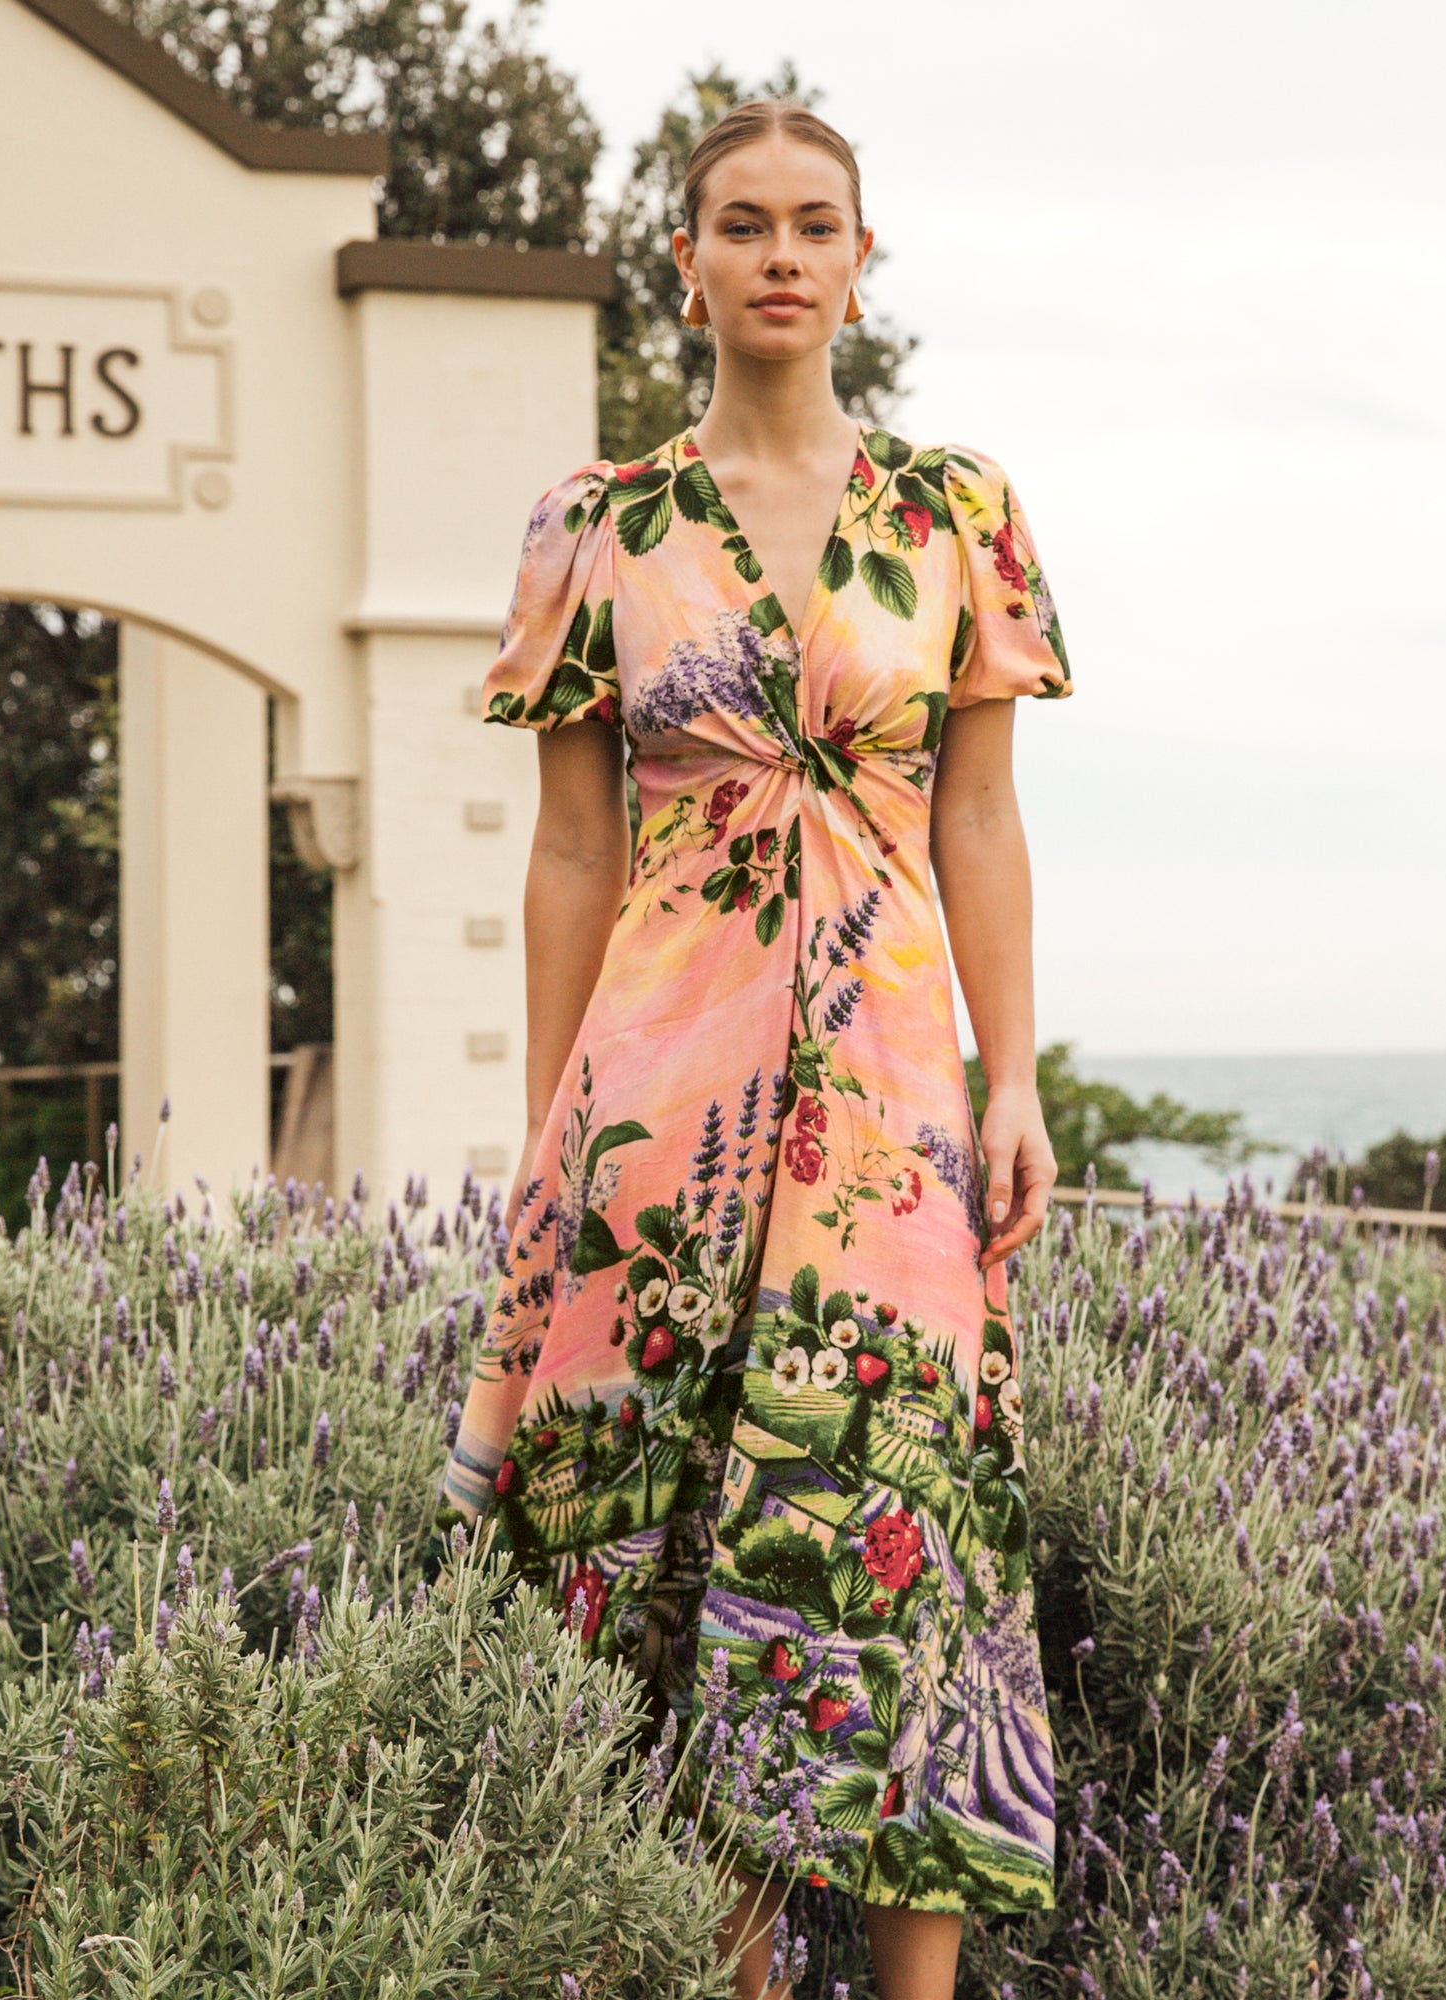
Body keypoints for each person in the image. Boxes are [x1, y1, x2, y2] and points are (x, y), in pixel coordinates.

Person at [439, 97, 1072, 2000]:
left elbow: (978, 818)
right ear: (690, 261)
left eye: (817, 225)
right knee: (670, 1522)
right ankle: (726, 1975)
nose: (782, 254)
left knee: (906, 1515)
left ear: (865, 264)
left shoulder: (959, 512)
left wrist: (1016, 1074)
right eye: (744, 224)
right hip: (660, 1094)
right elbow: (570, 845)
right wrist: (558, 1121)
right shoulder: (599, 525)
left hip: (892, 1103)